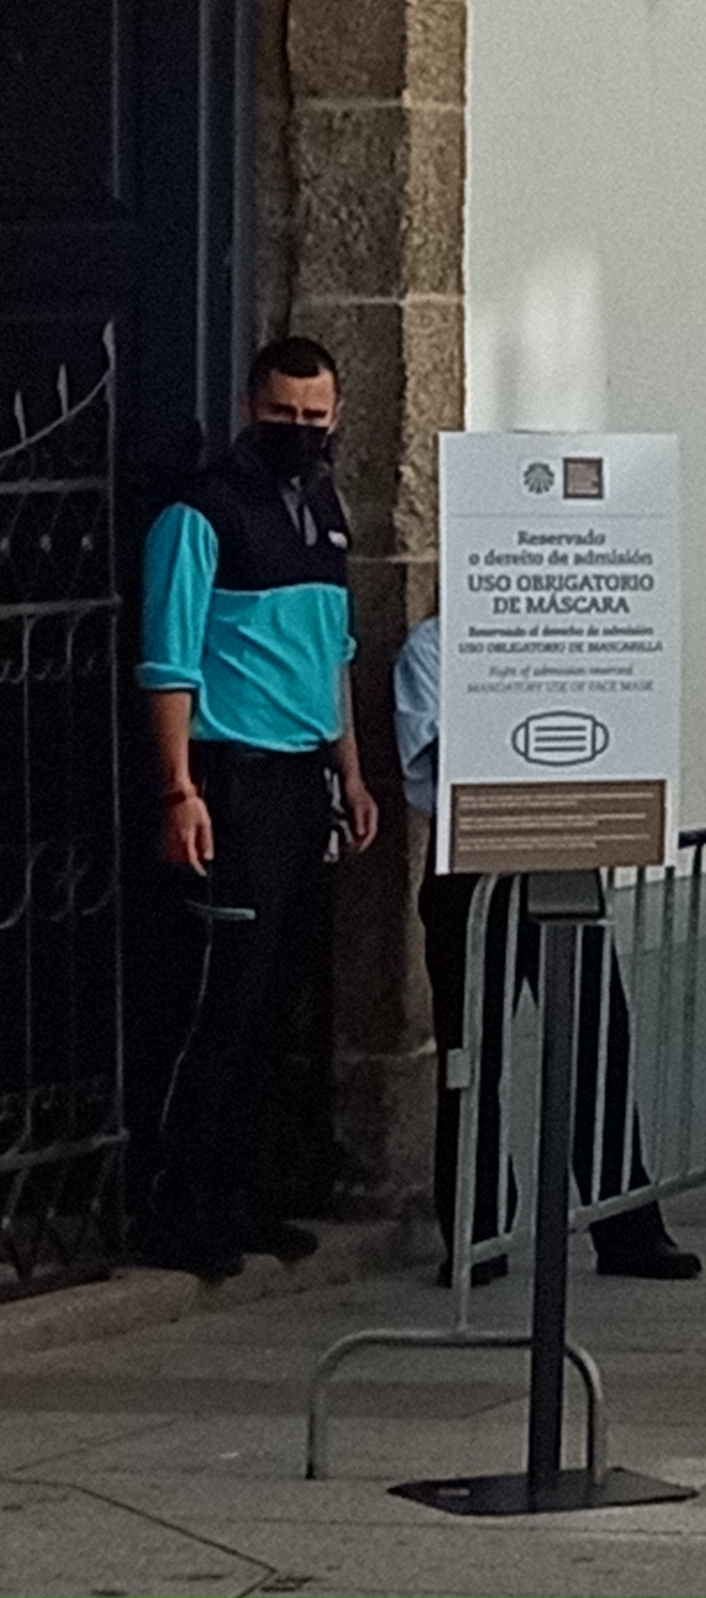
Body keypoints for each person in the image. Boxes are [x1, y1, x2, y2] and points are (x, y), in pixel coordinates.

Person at [135, 337, 378, 1278]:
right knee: (218, 1004)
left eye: (317, 419)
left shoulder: (324, 506)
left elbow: (336, 655)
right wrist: (178, 789)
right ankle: (174, 1202)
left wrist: (351, 775)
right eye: (284, 417)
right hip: (227, 778)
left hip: (302, 779)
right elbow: (167, 662)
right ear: (248, 408)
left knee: (280, 1003)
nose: (302, 433)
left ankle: (245, 1196)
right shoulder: (200, 515)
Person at [394, 616, 699, 1287]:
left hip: (563, 850)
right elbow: (431, 760)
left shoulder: (562, 643)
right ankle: (477, 1234)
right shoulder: (434, 647)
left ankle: (626, 1226)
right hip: (474, 865)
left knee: (598, 1037)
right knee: (471, 1056)